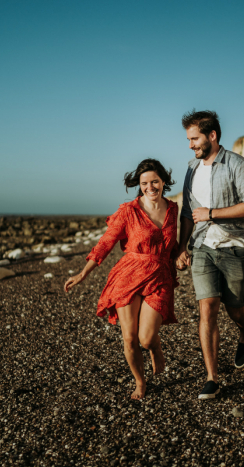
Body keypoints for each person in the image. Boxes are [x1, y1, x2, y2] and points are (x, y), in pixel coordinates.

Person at [64, 159, 179, 400]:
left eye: (155, 181)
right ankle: (140, 382)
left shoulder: (172, 209)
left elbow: (171, 244)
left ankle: (155, 347)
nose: (150, 187)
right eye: (144, 183)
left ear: (163, 181)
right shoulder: (128, 211)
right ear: (139, 184)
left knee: (146, 338)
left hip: (159, 276)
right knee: (129, 337)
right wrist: (83, 273)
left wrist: (181, 254)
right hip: (129, 276)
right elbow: (106, 242)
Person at [175, 110, 244, 400]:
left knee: (235, 308)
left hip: (235, 246)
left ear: (212, 136)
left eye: (194, 138)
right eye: (188, 139)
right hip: (202, 248)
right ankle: (212, 377)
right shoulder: (191, 168)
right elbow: (188, 213)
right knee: (207, 308)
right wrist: (181, 246)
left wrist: (212, 214)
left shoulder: (237, 164)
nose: (190, 145)